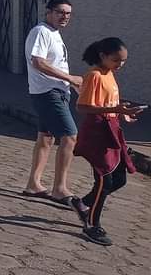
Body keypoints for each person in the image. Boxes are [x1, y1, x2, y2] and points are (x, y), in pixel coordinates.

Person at [69, 37, 142, 246]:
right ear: (103, 56)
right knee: (104, 180)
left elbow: (110, 103)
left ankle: (82, 203)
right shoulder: (94, 75)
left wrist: (123, 113)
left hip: (112, 130)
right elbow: (82, 107)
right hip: (97, 134)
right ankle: (92, 225)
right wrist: (113, 109)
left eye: (123, 61)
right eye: (116, 60)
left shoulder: (109, 74)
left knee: (119, 179)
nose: (120, 64)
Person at [22, 0, 83, 204]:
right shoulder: (41, 31)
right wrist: (70, 78)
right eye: (60, 12)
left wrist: (71, 85)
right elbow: (38, 62)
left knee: (46, 138)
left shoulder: (54, 33)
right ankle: (60, 188)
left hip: (57, 91)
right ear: (48, 12)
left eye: (68, 13)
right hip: (48, 93)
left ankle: (33, 184)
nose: (64, 16)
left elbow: (55, 63)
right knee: (70, 136)